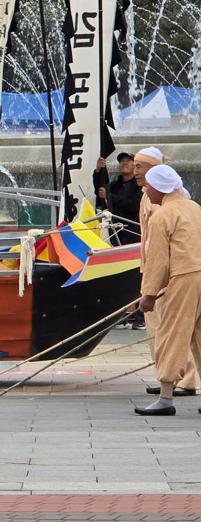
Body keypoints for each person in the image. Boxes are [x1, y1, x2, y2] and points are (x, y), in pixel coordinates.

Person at [134, 164, 201, 416]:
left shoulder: (162, 215)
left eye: (148, 186)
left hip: (184, 276)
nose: (145, 190)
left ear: (159, 187)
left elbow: (158, 261)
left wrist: (149, 294)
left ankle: (165, 397)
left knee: (172, 332)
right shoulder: (194, 207)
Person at [107, 152, 142, 247]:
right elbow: (99, 193)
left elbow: (134, 205)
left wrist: (110, 197)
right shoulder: (114, 185)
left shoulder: (139, 184)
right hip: (114, 231)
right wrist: (98, 171)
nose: (124, 163)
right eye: (122, 161)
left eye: (128, 160)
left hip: (133, 231)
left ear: (135, 165)